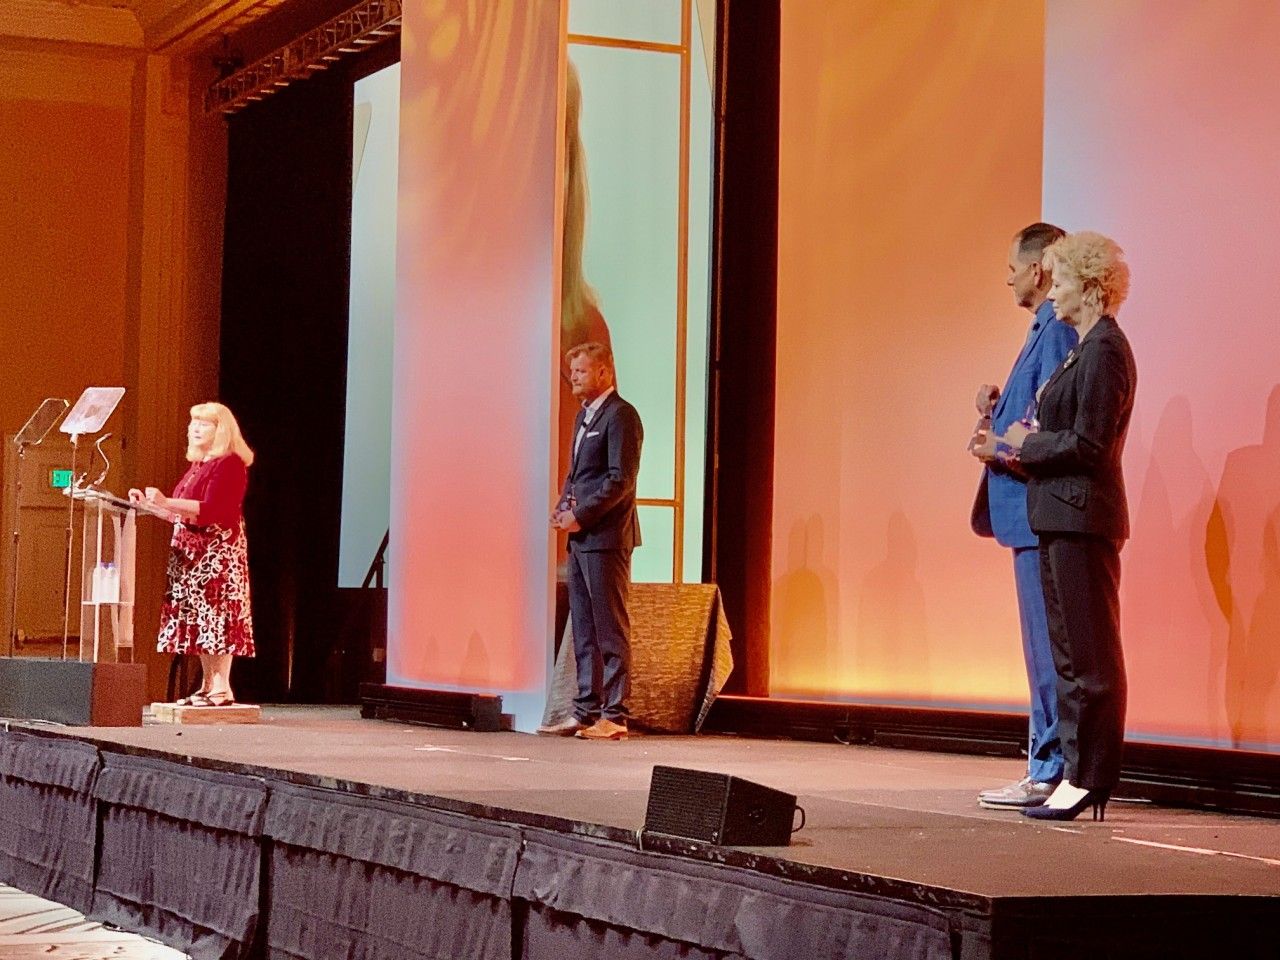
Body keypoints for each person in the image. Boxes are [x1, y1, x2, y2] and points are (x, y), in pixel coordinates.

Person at [983, 232, 1136, 821]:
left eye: (1065, 282)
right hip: (1060, 517)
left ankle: (1088, 774)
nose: (1056, 294)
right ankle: (1075, 772)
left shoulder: (1104, 351)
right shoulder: (1085, 349)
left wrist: (1026, 443)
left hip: (1081, 517)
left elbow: (1091, 444)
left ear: (1090, 287)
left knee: (1088, 656)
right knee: (1070, 656)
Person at [969, 223, 1077, 809]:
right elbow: (1027, 411)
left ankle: (1051, 767)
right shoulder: (1039, 330)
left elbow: (1051, 424)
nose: (1007, 275)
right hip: (1025, 513)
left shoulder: (1057, 331)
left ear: (1039, 270)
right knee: (1039, 650)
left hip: (1039, 512)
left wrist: (1002, 449)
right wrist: (994, 409)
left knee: (1048, 651)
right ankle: (1046, 761)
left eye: (1014, 265)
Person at [538, 342, 642, 741]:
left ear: (604, 373)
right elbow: (577, 475)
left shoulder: (621, 416)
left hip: (607, 538)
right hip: (582, 540)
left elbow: (620, 480)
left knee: (609, 628)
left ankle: (615, 715)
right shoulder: (585, 417)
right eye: (574, 373)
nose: (575, 379)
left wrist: (579, 516)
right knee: (583, 628)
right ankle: (585, 711)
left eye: (581, 372)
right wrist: (564, 504)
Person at [130, 402, 256, 707]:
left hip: (216, 555)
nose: (194, 428)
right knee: (199, 619)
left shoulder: (230, 464)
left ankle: (222, 688)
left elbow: (214, 509)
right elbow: (181, 516)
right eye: (193, 423)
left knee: (216, 618)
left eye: (203, 423)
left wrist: (167, 500)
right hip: (191, 556)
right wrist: (150, 506)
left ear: (221, 429)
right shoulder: (199, 466)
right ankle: (207, 684)